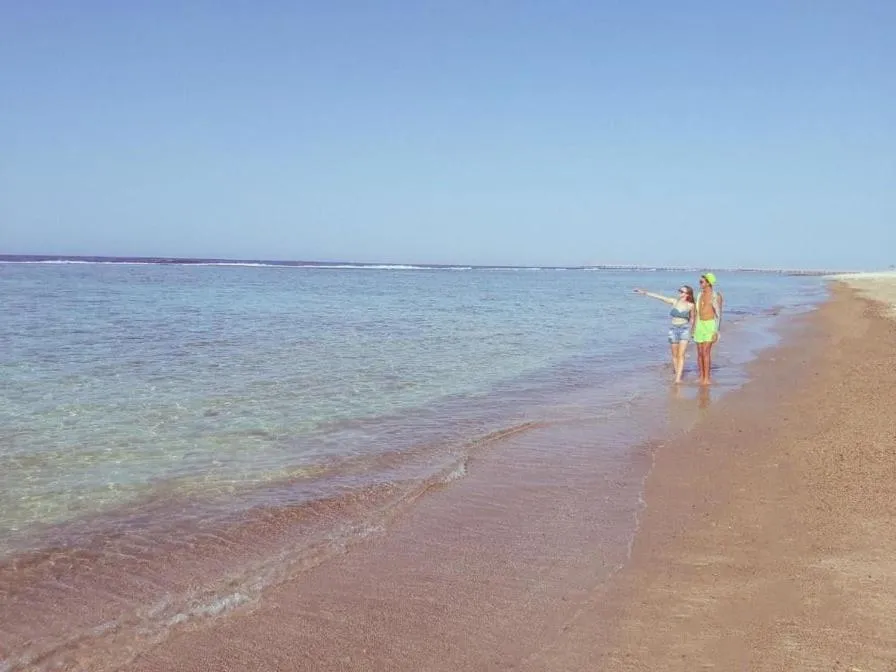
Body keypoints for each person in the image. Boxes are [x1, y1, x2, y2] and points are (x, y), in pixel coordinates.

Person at [633, 284, 696, 383]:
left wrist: (693, 331)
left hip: (684, 329)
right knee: (674, 355)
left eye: (681, 291)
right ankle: (678, 373)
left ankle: (678, 378)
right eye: (679, 291)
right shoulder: (674, 301)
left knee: (681, 355)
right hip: (673, 329)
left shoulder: (691, 305)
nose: (679, 292)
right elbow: (660, 297)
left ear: (687, 294)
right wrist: (645, 293)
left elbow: (692, 319)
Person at [694, 272, 724, 385]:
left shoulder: (716, 296)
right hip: (699, 324)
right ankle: (701, 376)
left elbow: (719, 315)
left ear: (708, 283)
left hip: (710, 324)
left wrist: (716, 331)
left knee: (706, 352)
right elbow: (697, 312)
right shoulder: (699, 295)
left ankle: (707, 378)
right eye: (700, 282)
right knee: (699, 352)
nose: (700, 284)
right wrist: (694, 327)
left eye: (701, 282)